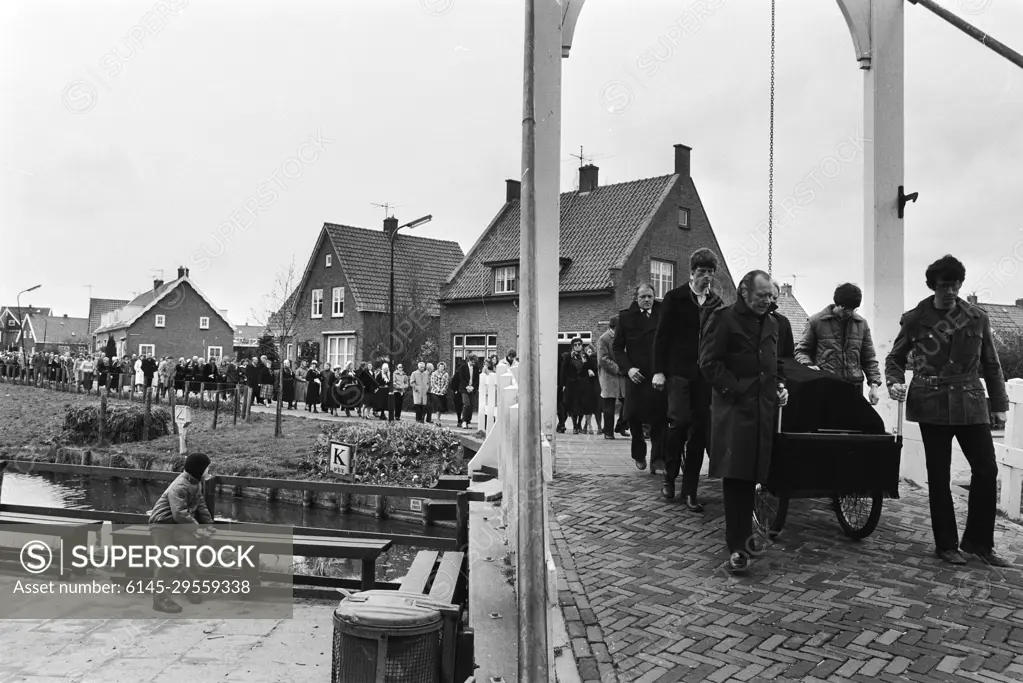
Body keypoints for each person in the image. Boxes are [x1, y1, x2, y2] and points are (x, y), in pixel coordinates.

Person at [886, 255, 1009, 567]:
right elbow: (895, 359)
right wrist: (893, 382)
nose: (951, 292)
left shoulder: (977, 317)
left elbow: (991, 363)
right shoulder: (915, 319)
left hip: (970, 402)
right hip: (932, 404)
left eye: (955, 286)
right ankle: (946, 545)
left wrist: (1000, 405)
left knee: (987, 470)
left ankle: (979, 543)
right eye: (945, 286)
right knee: (938, 476)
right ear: (933, 286)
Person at [700, 270, 788, 575]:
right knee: (737, 478)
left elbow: (775, 362)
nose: (768, 301)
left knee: (754, 476)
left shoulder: (774, 323)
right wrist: (737, 391)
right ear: (743, 292)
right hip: (736, 411)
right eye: (762, 296)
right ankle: (737, 547)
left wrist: (780, 386)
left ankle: (744, 537)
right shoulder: (723, 319)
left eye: (771, 296)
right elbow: (709, 363)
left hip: (764, 412)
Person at [652, 248, 724, 508]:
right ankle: (670, 477)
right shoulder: (675, 298)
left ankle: (691, 490)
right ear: (692, 273)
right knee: (679, 422)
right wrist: (659, 371)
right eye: (701, 272)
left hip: (704, 375)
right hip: (678, 372)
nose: (706, 276)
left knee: (700, 429)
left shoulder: (716, 303)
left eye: (710, 272)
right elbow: (662, 336)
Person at [148, 452, 216, 613]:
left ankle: (189, 586)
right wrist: (197, 529)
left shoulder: (195, 483)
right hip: (162, 525)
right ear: (199, 469)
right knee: (167, 560)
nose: (208, 470)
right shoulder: (179, 486)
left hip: (177, 525)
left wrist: (208, 525)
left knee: (192, 546)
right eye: (207, 468)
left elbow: (201, 506)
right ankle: (160, 600)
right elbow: (179, 513)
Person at [795, 282, 883, 404]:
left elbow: (869, 358)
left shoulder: (862, 324)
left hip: (854, 387)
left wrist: (874, 385)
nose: (849, 312)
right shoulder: (815, 321)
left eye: (853, 309)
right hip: (825, 385)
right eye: (845, 308)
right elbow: (801, 351)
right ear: (838, 304)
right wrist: (808, 366)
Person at [613, 284, 668, 473]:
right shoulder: (626, 317)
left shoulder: (663, 314)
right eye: (643, 296)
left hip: (658, 373)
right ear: (636, 298)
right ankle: (639, 453)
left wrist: (663, 371)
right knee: (634, 416)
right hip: (636, 376)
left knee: (660, 417)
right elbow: (618, 348)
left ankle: (658, 459)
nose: (647, 300)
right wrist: (628, 369)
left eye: (650, 296)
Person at [597, 317, 628, 440]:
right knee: (609, 405)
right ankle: (608, 432)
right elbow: (603, 359)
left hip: (624, 376)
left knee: (628, 403)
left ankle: (621, 426)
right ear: (615, 327)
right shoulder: (604, 339)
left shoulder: (624, 338)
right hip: (609, 376)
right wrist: (619, 368)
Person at [560, 339, 593, 435]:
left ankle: (579, 424)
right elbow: (563, 370)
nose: (577, 346)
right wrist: (563, 384)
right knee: (573, 405)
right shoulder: (568, 357)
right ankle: (574, 426)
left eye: (579, 344)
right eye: (575, 344)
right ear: (572, 346)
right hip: (572, 384)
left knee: (582, 405)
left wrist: (589, 369)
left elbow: (589, 366)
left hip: (583, 384)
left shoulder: (585, 356)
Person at [769, 283, 795, 359]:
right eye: (768, 296)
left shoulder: (783, 322)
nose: (770, 301)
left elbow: (789, 355)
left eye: (774, 298)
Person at [455, 354, 481, 429]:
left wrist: (472, 387)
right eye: (472, 362)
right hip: (464, 388)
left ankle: (468, 421)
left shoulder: (476, 368)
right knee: (467, 404)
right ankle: (464, 421)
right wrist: (467, 386)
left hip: (472, 389)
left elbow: (476, 380)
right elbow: (461, 378)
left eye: (475, 362)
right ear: (469, 360)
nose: (473, 364)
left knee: (472, 406)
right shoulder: (463, 367)